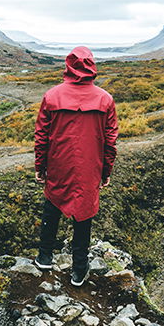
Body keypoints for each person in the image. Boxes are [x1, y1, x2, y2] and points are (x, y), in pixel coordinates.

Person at [34, 45, 118, 285]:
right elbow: (110, 141)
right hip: (90, 167)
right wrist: (106, 171)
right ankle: (79, 270)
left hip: (59, 163)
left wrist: (40, 167)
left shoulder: (52, 96)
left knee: (52, 204)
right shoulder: (105, 99)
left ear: (68, 65)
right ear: (92, 66)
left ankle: (45, 256)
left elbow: (41, 136)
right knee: (83, 214)